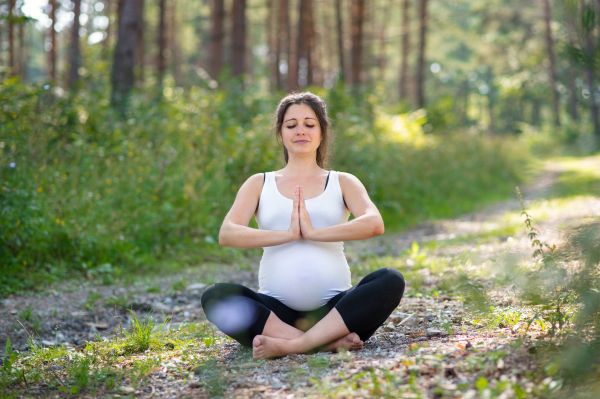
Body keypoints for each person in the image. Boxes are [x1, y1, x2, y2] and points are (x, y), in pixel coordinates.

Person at [201, 92, 405, 360]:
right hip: (276, 316)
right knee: (214, 296)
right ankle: (324, 344)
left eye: (309, 124)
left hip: (336, 314)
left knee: (391, 280)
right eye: (291, 124)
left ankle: (291, 346)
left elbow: (374, 223)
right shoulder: (259, 183)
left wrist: (314, 233)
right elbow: (227, 233)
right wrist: (286, 235)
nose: (300, 131)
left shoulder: (342, 181)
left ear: (322, 133)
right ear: (281, 133)